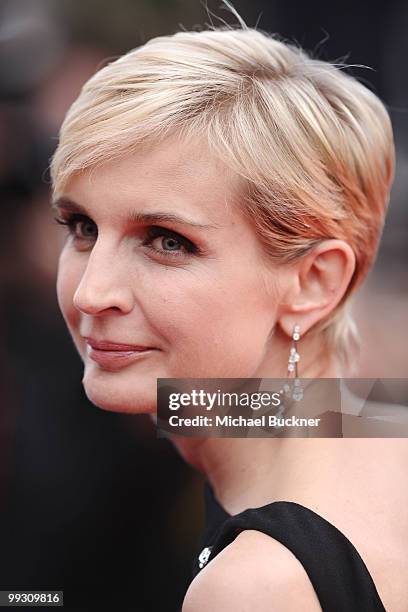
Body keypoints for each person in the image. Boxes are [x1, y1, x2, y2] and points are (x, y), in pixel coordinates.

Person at [50, 19, 408, 612]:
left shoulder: (257, 586)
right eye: (82, 227)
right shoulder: (388, 427)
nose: (92, 293)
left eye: (166, 241)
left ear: (312, 282)